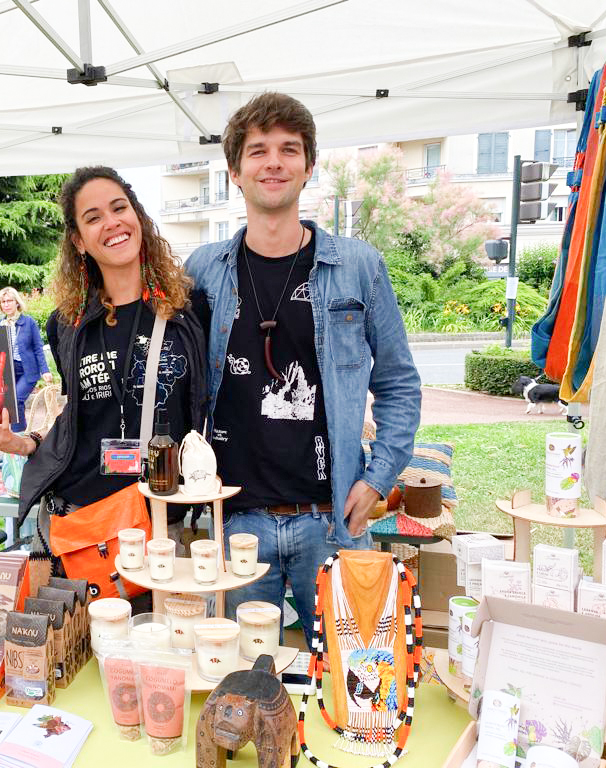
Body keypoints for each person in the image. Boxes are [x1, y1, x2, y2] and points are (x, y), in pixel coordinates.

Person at [185, 92, 421, 646]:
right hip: (235, 523)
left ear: (308, 166)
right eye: (258, 151)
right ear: (234, 172)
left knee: (353, 675)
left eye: (289, 150)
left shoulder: (358, 266)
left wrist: (379, 477)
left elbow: (397, 381)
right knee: (244, 680)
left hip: (332, 517)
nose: (274, 162)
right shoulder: (203, 271)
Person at [0, 166, 206, 557]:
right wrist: (19, 443)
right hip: (81, 519)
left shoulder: (188, 312)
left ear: (138, 218)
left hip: (160, 521)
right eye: (93, 218)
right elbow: (76, 417)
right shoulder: (66, 325)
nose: (111, 223)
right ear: (78, 240)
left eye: (118, 208)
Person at [0, 286, 53, 432]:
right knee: (11, 404)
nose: (6, 304)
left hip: (27, 370)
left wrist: (45, 370)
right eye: (3, 302)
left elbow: (38, 348)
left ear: (17, 303)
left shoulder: (29, 322)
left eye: (9, 300)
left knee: (16, 400)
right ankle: (19, 437)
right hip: (8, 371)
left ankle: (20, 437)